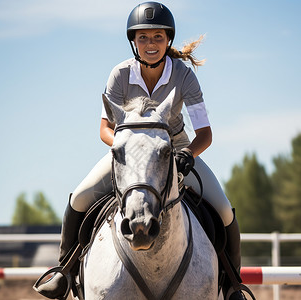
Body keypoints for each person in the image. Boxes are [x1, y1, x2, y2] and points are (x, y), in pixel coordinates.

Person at [37, 2, 244, 299]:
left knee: (223, 209)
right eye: (143, 37)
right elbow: (105, 129)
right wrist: (127, 147)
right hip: (127, 154)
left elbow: (205, 134)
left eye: (157, 37)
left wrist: (187, 155)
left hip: (176, 153)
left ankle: (233, 285)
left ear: (168, 40)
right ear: (133, 42)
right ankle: (63, 272)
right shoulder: (119, 74)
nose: (151, 44)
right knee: (80, 197)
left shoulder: (184, 76)